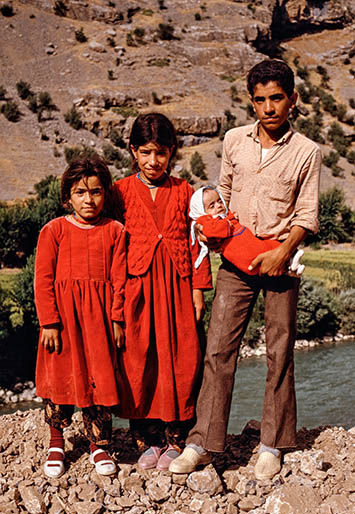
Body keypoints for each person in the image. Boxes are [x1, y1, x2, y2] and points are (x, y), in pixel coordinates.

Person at [170, 59, 321, 479]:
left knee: (279, 352)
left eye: (277, 98)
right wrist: (216, 236)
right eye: (260, 100)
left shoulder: (308, 152)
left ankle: (272, 445)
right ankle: (201, 442)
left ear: (292, 98)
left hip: (281, 261)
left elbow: (307, 214)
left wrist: (281, 251)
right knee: (218, 349)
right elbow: (224, 193)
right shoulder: (234, 140)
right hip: (236, 260)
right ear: (250, 102)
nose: (269, 107)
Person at [113, 112, 212, 471]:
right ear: (133, 151)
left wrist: (199, 289)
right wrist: (116, 303)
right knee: (140, 360)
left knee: (182, 359)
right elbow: (112, 248)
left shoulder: (185, 191)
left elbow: (198, 243)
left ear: (172, 153)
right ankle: (147, 439)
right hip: (137, 288)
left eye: (161, 153)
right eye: (146, 153)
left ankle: (176, 438)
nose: (153, 162)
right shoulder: (119, 192)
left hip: (177, 286)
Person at [34, 157, 126, 479]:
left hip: (98, 324)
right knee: (60, 379)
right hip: (63, 323)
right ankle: (57, 441)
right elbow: (43, 279)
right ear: (67, 197)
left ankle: (98, 444)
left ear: (106, 194)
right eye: (80, 192)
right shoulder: (54, 231)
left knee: (98, 380)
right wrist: (49, 321)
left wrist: (116, 319)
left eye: (96, 192)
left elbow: (119, 279)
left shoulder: (115, 231)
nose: (89, 200)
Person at [189, 186, 305, 276]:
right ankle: (289, 269)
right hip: (242, 253)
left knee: (272, 247)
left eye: (219, 201)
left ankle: (292, 260)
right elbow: (213, 230)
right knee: (259, 263)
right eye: (212, 205)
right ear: (201, 211)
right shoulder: (205, 220)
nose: (218, 206)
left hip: (252, 242)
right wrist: (227, 223)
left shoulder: (222, 214)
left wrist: (232, 217)